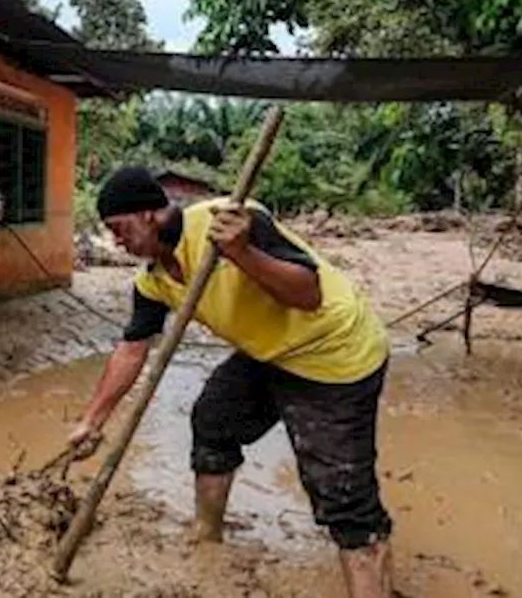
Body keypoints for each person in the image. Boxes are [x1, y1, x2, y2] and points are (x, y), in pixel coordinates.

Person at [69, 166, 392, 598]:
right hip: (270, 353)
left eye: (119, 228)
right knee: (214, 420)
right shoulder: (153, 281)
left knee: (343, 497)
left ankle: (372, 583)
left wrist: (241, 252)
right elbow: (132, 349)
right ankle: (207, 539)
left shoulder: (232, 220)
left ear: (148, 214)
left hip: (335, 355)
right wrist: (93, 419)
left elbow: (307, 294)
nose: (116, 242)